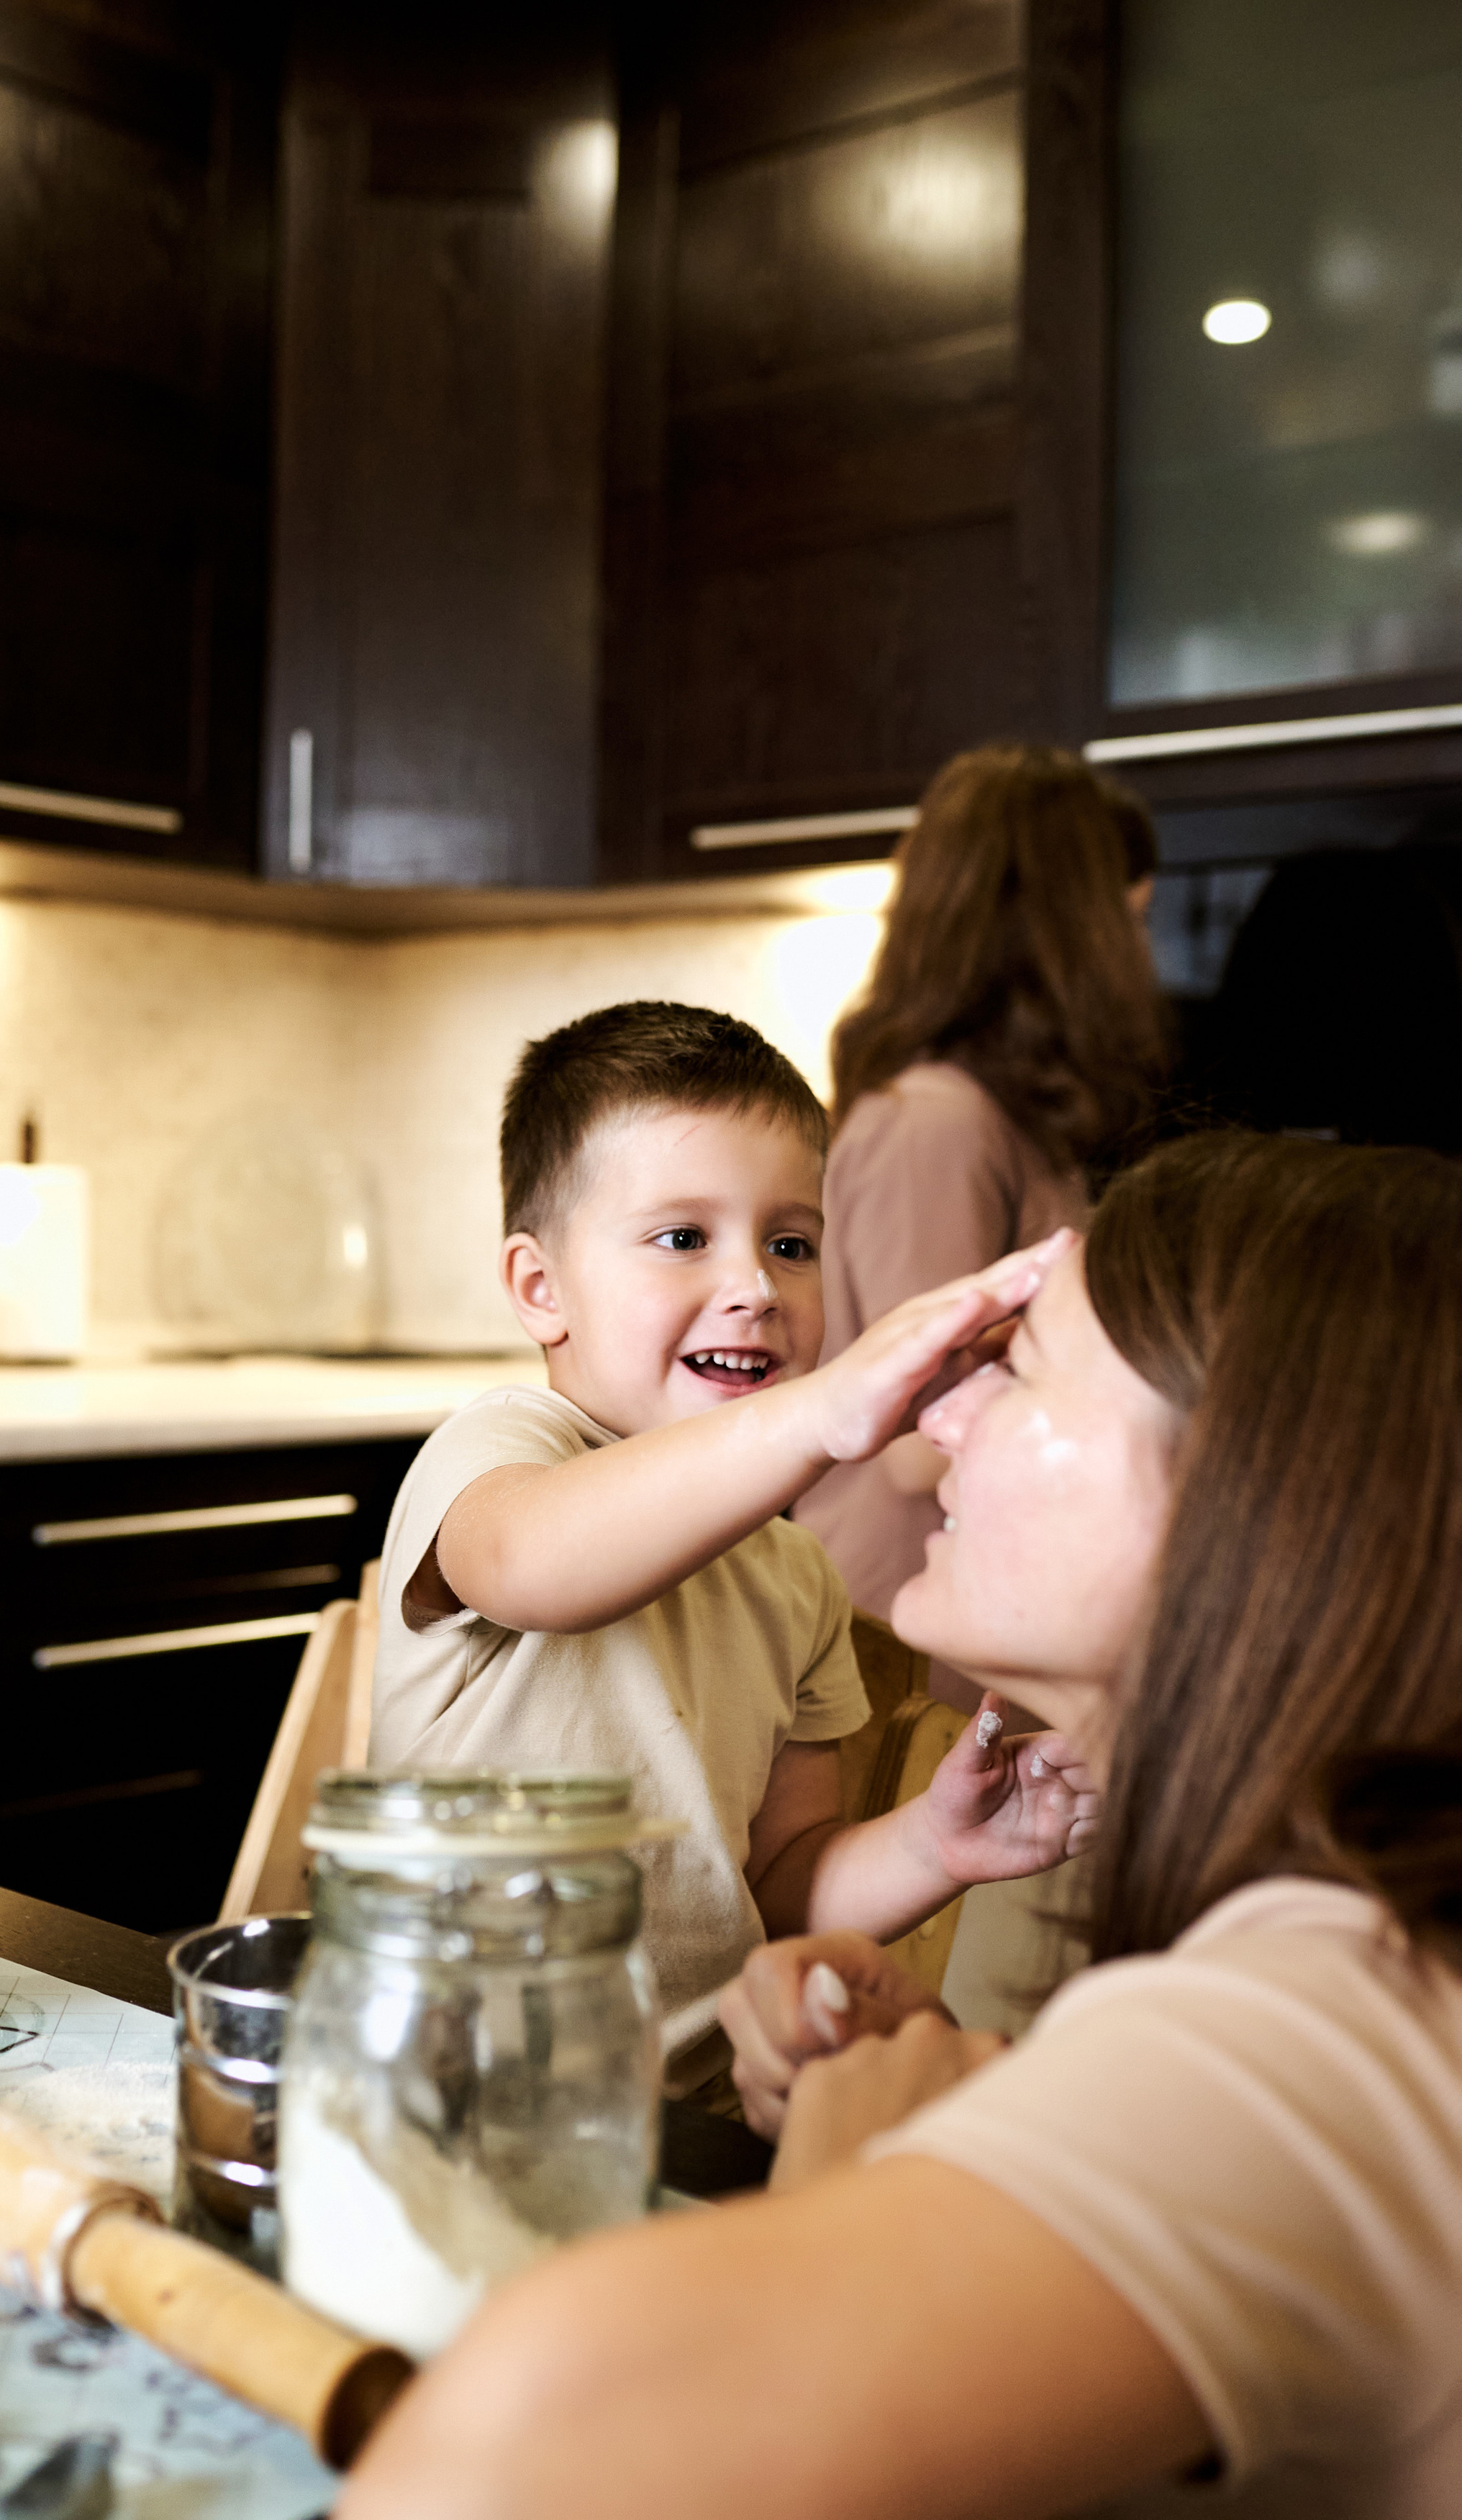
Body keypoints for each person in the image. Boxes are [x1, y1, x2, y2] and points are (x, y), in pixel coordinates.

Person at [342, 1132, 1462, 2520]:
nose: (936, 1421)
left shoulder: (1317, 2031)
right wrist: (980, 2124)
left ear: (1263, 1492)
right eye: (679, 1236)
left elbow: (503, 2460)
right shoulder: (1340, 1981)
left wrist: (841, 2178)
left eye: (1023, 1361)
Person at [368, 1001, 1093, 2098]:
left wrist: (938, 1844)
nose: (756, 1285)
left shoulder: (794, 1572)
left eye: (790, 1244)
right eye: (683, 1237)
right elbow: (535, 1567)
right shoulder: (499, 1453)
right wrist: (825, 1413)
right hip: (450, 2095)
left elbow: (779, 1887)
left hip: (691, 2113)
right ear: (539, 1288)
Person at [796, 743, 1165, 1662]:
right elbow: (919, 1437)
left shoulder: (998, 1116)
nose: (1141, 956)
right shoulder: (934, 1123)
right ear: (1071, 928)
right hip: (897, 1641)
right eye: (1129, 920)